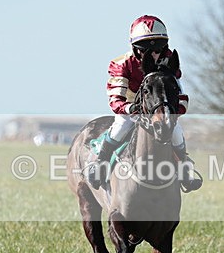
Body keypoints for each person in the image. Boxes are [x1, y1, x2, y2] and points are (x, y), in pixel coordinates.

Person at [86, 14, 202, 192]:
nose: (153, 54)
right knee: (120, 128)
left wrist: (173, 112)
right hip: (131, 106)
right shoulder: (122, 64)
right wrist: (131, 108)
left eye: (158, 49)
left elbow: (181, 96)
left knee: (176, 132)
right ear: (135, 48)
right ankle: (100, 165)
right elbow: (116, 99)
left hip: (160, 108)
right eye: (145, 49)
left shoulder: (169, 60)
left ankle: (185, 171)